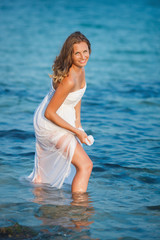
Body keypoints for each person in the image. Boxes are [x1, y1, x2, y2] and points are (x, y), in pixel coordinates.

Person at [28, 31, 94, 193]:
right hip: (50, 121)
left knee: (42, 177)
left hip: (62, 117)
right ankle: (78, 209)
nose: (82, 56)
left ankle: (38, 209)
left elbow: (77, 96)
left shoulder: (81, 70)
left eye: (85, 51)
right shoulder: (69, 78)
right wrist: (75, 132)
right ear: (69, 55)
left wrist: (78, 125)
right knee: (86, 165)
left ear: (89, 51)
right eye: (77, 53)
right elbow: (49, 113)